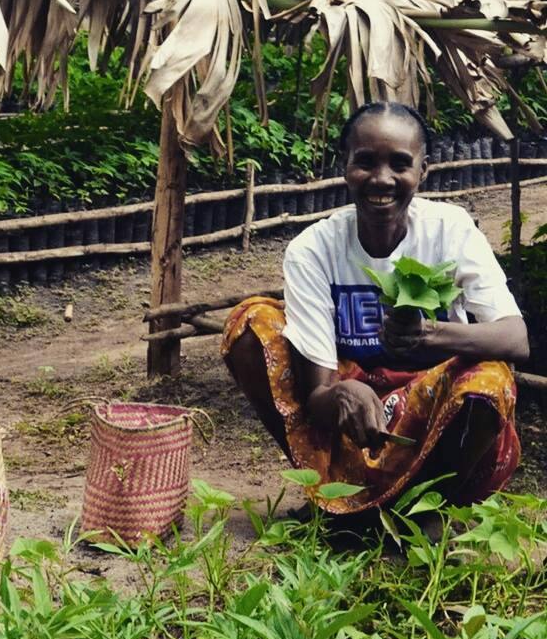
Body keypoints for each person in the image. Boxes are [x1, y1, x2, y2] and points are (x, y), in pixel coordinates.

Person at [223, 101, 529, 515]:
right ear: (344, 166)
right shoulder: (315, 249)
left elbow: (515, 337)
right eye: (365, 161)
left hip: (432, 406)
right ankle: (332, 491)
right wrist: (342, 392)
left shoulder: (450, 231)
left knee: (491, 379)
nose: (381, 179)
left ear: (423, 171)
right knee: (252, 323)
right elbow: (316, 394)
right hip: (354, 416)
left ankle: (426, 510)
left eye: (400, 163)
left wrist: (430, 334)